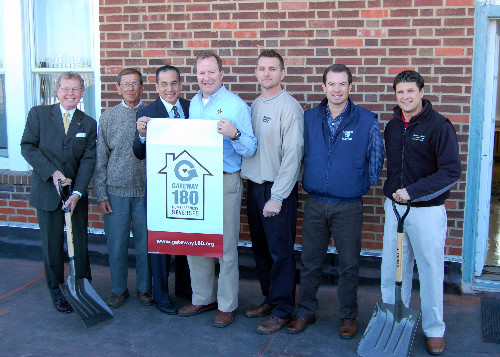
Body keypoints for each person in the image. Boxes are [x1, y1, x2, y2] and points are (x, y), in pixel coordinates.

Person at [286, 64, 384, 338]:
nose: (337, 89)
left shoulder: (366, 119)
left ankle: (348, 316)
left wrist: (363, 182)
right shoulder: (309, 118)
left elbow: (376, 155)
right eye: (332, 84)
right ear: (324, 87)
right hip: (315, 202)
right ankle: (305, 311)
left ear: (350, 87)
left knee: (349, 264)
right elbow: (298, 152)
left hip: (348, 205)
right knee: (310, 261)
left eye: (342, 84)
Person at [381, 70, 461, 356]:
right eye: (400, 92)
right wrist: (393, 190)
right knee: (393, 269)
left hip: (426, 212)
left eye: (410, 91)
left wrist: (413, 192)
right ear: (396, 94)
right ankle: (394, 320)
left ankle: (434, 329)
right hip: (396, 210)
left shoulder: (439, 126)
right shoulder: (392, 127)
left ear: (422, 92)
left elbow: (451, 171)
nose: (405, 96)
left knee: (430, 271)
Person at [178, 51, 257, 328]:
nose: (206, 78)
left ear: (222, 74)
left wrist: (234, 134)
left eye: (211, 72)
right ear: (196, 75)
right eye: (201, 73)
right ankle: (202, 297)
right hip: (197, 182)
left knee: (225, 247)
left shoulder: (236, 105)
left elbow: (250, 147)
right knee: (196, 241)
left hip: (225, 180)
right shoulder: (194, 105)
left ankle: (226, 304)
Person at [20, 72, 97, 313]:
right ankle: (57, 291)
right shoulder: (39, 115)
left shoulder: (87, 123)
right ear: (57, 90)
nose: (70, 94)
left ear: (82, 93)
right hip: (47, 192)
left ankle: (83, 287)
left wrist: (77, 193)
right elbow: (27, 147)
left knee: (79, 243)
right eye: (66, 89)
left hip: (75, 195)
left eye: (75, 89)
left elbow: (88, 161)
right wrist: (52, 172)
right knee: (52, 245)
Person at [240, 50, 304, 334]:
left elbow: (293, 155)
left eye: (272, 69)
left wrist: (277, 197)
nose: (267, 74)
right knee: (262, 250)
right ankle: (270, 299)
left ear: (282, 73)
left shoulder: (289, 107)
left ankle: (283, 309)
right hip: (254, 186)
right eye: (262, 69)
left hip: (277, 189)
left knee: (281, 253)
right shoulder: (254, 105)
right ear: (256, 73)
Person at [132, 65, 192, 315]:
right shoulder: (147, 113)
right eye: (164, 84)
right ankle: (161, 295)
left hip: (188, 185)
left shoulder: (191, 108)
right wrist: (142, 135)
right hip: (160, 187)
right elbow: (138, 152)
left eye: (174, 83)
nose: (170, 89)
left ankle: (185, 290)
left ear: (180, 84)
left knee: (187, 238)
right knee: (160, 243)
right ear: (156, 87)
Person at [93, 68, 152, 308]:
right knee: (116, 245)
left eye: (135, 83)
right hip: (116, 192)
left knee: (146, 245)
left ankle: (145, 288)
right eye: (125, 84)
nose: (130, 88)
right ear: (118, 88)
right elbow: (100, 158)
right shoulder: (108, 117)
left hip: (146, 191)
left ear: (142, 87)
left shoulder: (151, 114)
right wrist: (101, 193)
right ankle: (118, 289)